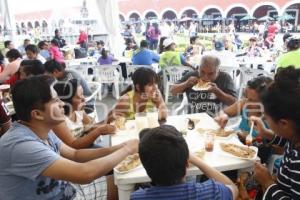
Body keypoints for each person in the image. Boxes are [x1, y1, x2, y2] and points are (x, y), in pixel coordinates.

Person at [0, 75, 138, 200]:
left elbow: (75, 154)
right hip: (69, 191)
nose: (62, 103)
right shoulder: (21, 145)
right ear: (37, 114)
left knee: (133, 184)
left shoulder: (42, 129)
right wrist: (126, 150)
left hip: (69, 190)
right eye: (55, 100)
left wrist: (119, 147)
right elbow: (85, 173)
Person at [131, 125, 238, 200]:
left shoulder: (137, 197)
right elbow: (232, 187)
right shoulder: (212, 192)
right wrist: (197, 160)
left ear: (146, 168)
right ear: (186, 164)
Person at [252, 66, 300, 199]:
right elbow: (288, 141)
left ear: (283, 123)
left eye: (266, 118)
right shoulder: (295, 134)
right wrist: (266, 133)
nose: (264, 119)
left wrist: (267, 183)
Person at [53, 79, 115, 149]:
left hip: (85, 148)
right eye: (79, 96)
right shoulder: (59, 121)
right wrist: (99, 131)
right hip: (73, 155)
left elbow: (91, 128)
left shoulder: (79, 111)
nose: (84, 99)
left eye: (82, 94)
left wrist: (108, 118)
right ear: (67, 100)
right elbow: (73, 146)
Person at [170, 55, 237, 116]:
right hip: (193, 117)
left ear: (218, 71)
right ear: (199, 68)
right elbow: (172, 91)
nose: (205, 77)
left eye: (210, 74)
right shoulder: (192, 75)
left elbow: (233, 103)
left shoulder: (225, 77)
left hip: (216, 118)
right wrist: (186, 84)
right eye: (202, 72)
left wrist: (217, 91)